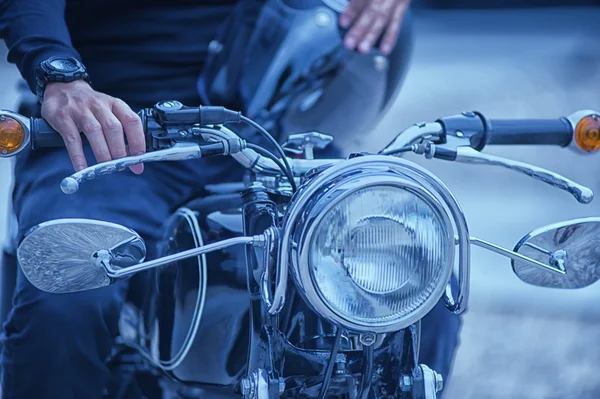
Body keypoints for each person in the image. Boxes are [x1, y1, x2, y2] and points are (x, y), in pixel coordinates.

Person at [0, 0, 461, 397]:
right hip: (106, 126)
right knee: (64, 302)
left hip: (265, 124)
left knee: (419, 279)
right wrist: (57, 73)